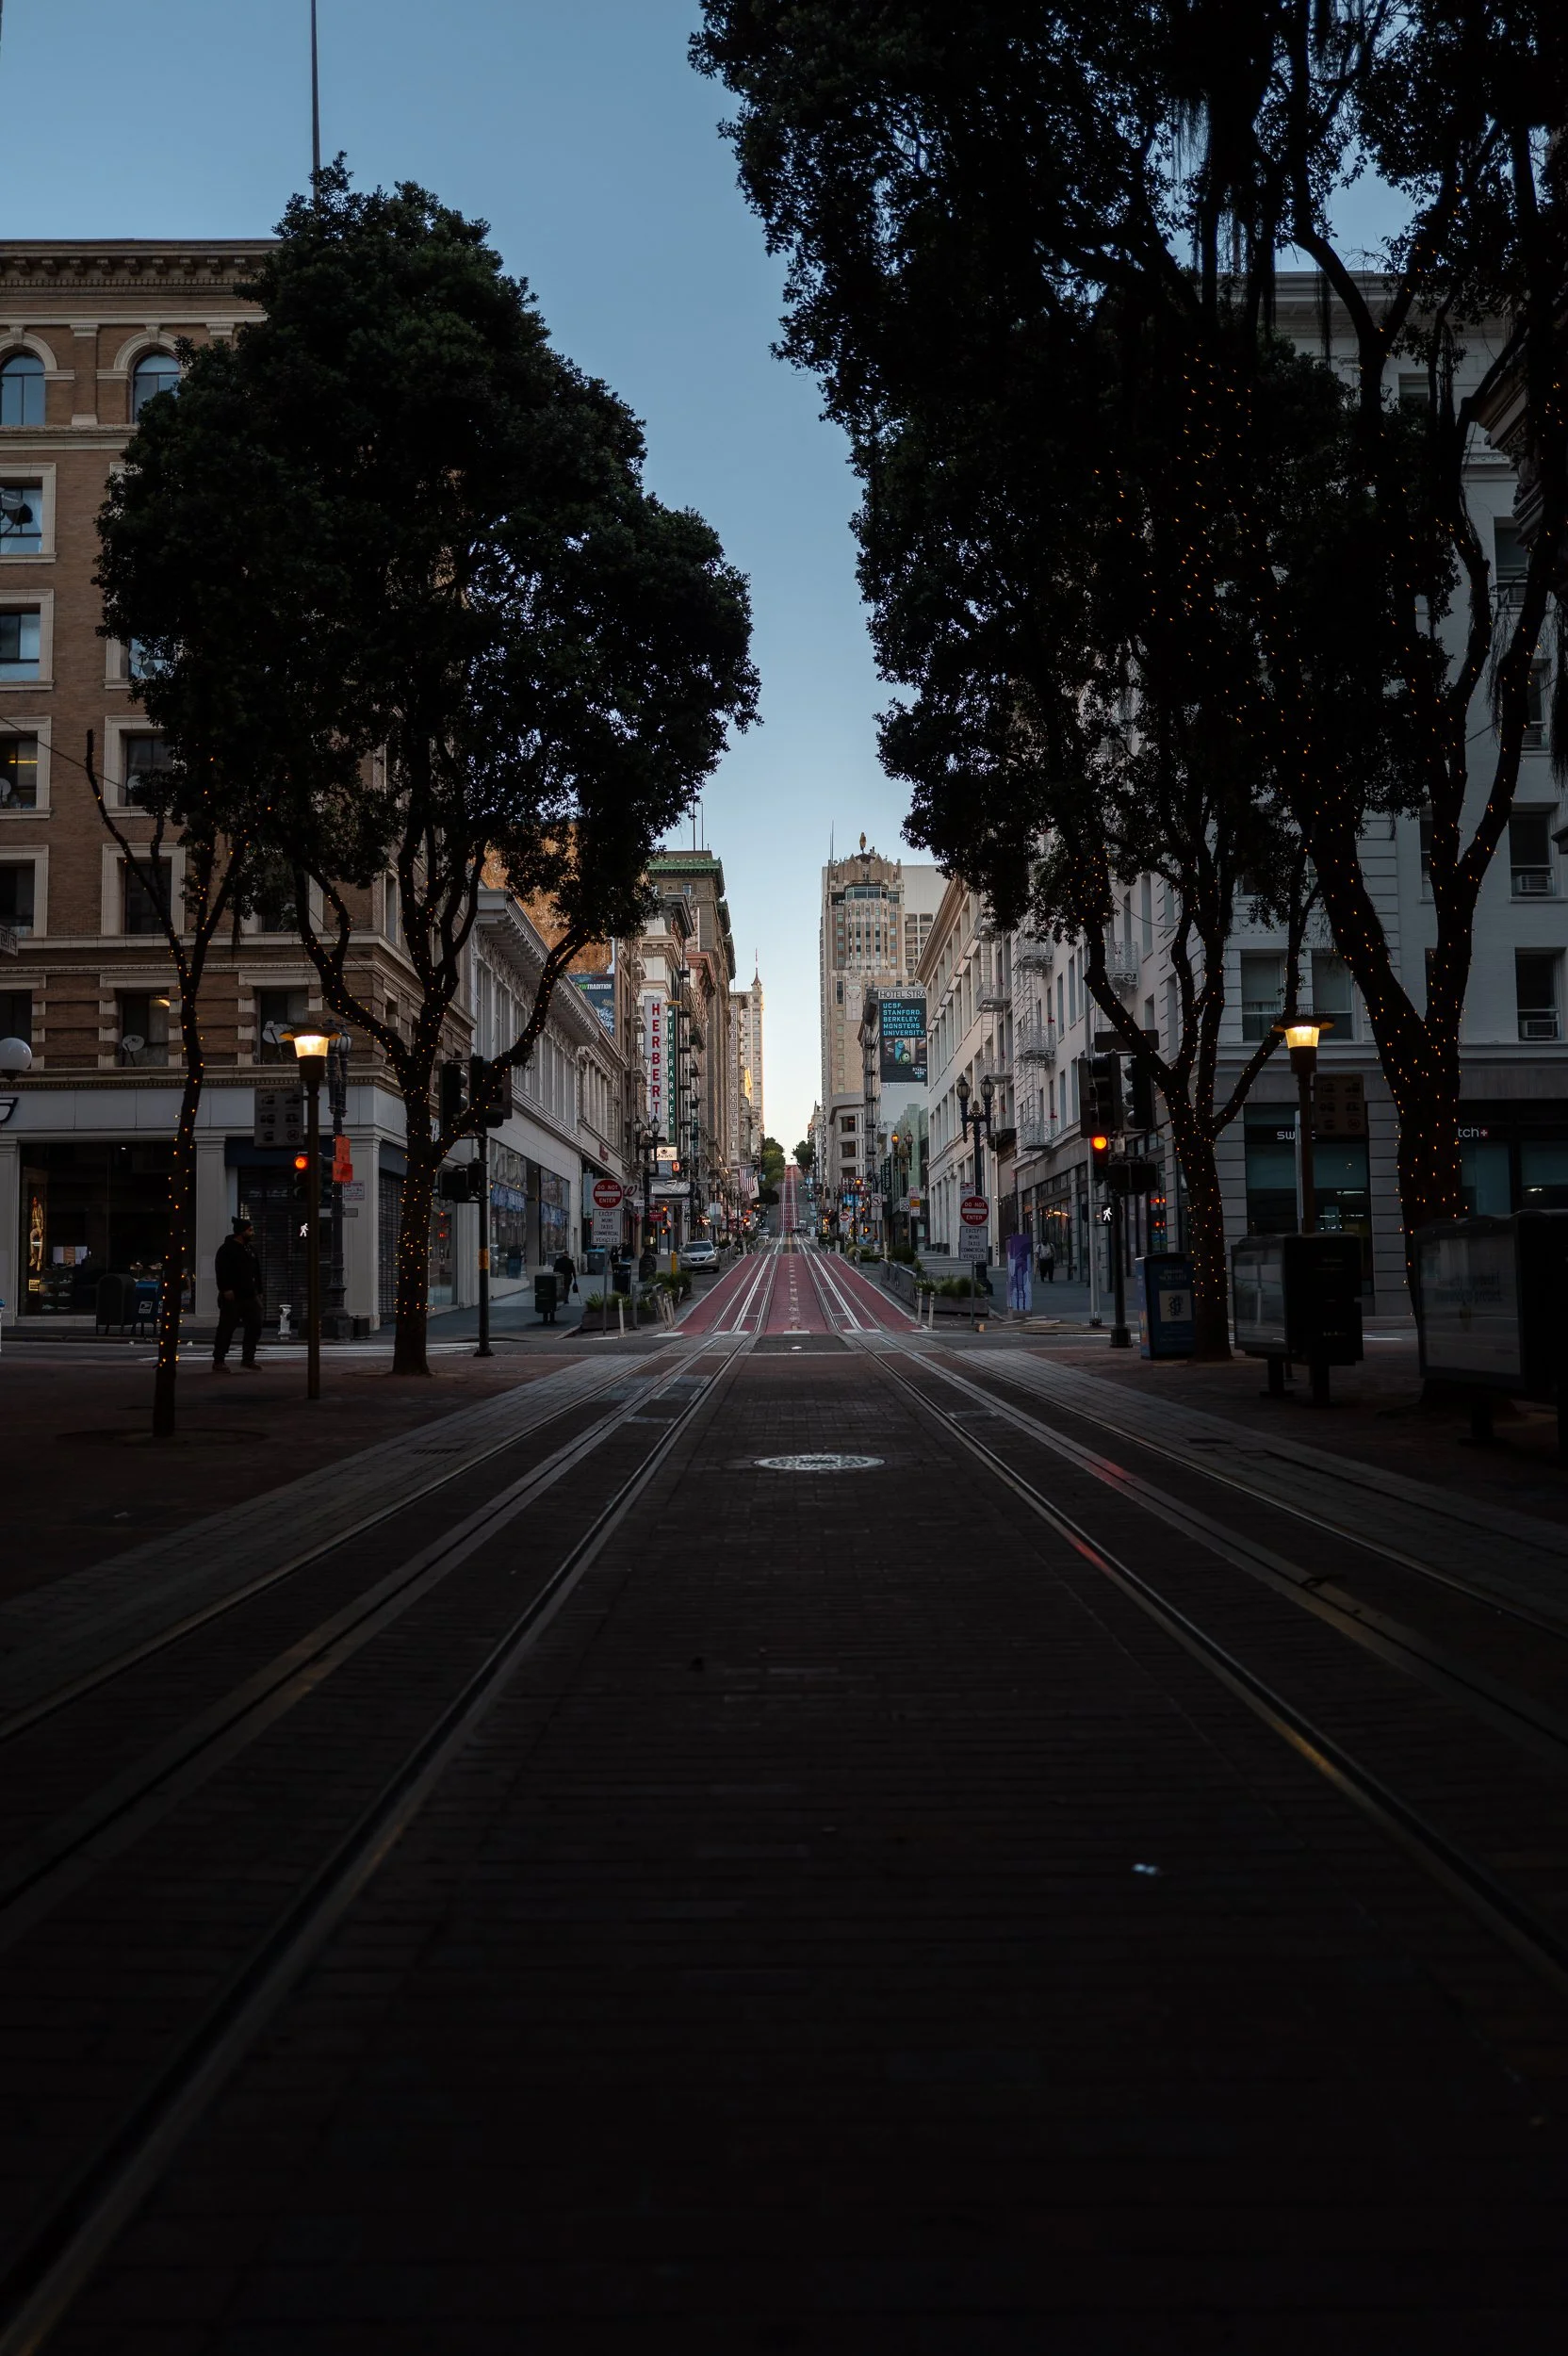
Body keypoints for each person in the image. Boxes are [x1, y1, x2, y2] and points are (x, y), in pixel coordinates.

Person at [213, 1215, 263, 1372]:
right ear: (241, 1232)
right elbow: (221, 1271)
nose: (252, 1233)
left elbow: (256, 1272)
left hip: (250, 1294)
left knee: (255, 1325)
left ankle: (248, 1358)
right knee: (226, 1328)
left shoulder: (250, 1250)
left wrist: (258, 1291)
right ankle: (219, 1359)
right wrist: (225, 1289)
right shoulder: (226, 1249)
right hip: (233, 1296)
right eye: (250, 1230)